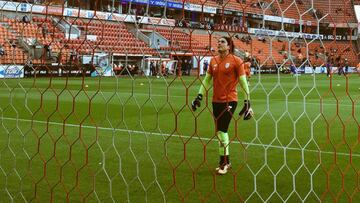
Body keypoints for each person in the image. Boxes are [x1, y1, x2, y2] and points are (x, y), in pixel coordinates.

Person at [191, 36, 253, 175]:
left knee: (222, 130)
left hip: (230, 100)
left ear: (229, 46)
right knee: (219, 132)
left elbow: (243, 82)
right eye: (218, 41)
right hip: (216, 101)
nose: (219, 43)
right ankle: (226, 162)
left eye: (222, 42)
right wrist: (199, 96)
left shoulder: (237, 61)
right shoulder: (213, 61)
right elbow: (207, 80)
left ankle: (223, 162)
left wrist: (247, 101)